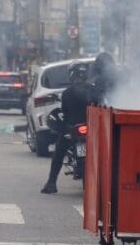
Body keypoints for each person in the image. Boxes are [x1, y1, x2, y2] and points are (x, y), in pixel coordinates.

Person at [41, 60, 103, 194]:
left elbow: (65, 112)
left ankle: (51, 183)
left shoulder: (67, 93)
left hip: (73, 129)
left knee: (59, 152)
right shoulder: (93, 90)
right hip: (92, 129)